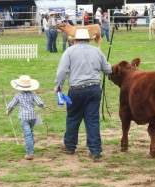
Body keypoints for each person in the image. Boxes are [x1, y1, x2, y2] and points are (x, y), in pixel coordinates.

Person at [54, 29, 112, 158]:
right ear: (88, 40)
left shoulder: (69, 51)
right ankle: (95, 149)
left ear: (75, 40)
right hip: (94, 89)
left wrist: (58, 86)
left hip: (76, 89)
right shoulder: (97, 51)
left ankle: (69, 146)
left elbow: (62, 71)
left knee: (73, 118)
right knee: (92, 119)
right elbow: (107, 69)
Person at [6, 75, 45, 160]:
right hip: (32, 117)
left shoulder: (18, 95)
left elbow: (12, 104)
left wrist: (8, 110)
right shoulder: (32, 94)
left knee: (27, 134)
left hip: (24, 118)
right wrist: (43, 106)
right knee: (30, 132)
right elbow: (39, 103)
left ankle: (29, 153)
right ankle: (31, 143)